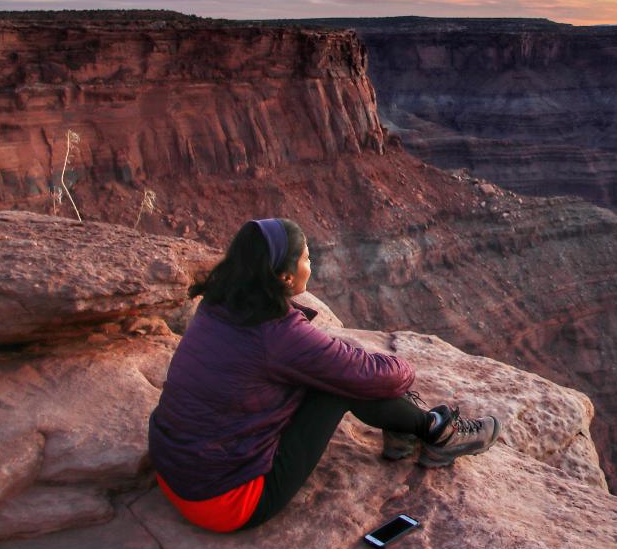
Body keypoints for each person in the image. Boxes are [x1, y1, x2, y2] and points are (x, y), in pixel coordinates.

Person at [148, 218, 500, 532]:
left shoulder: (219, 303)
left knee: (330, 373)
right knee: (340, 383)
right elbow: (378, 375)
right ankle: (438, 433)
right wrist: (404, 370)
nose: (310, 265)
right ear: (285, 277)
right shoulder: (278, 334)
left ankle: (403, 432)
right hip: (226, 502)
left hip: (174, 473)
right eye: (306, 258)